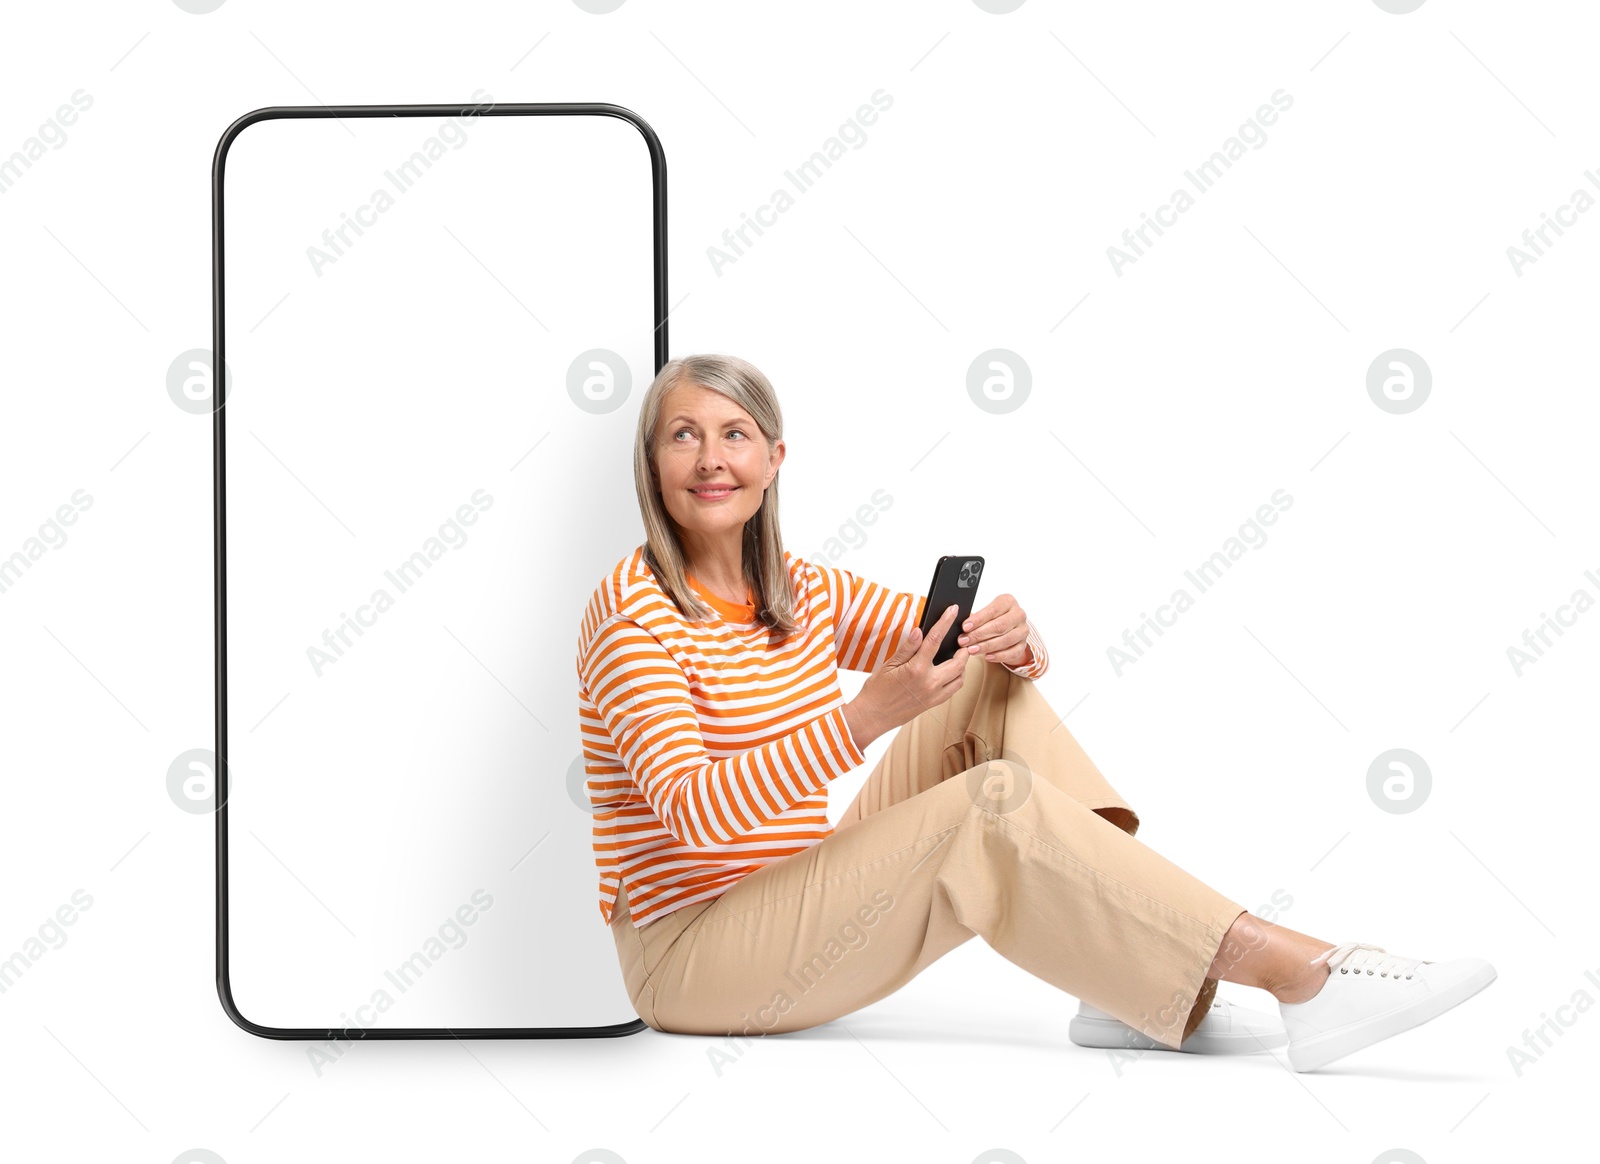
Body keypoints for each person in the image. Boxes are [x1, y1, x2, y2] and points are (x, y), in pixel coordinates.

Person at [574, 353, 1496, 1070]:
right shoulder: (632, 610)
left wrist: (1010, 635)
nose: (709, 459)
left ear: (774, 460)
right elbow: (691, 813)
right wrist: (866, 717)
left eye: (733, 435)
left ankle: (1127, 979)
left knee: (975, 677)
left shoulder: (796, 589)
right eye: (682, 436)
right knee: (990, 805)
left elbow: (948, 642)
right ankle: (1304, 974)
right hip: (693, 955)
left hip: (796, 893)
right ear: (652, 464)